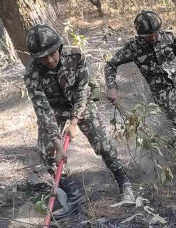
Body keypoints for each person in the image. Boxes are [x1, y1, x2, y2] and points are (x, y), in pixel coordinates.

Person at [24, 25, 134, 218]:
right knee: (47, 151)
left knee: (102, 144)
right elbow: (42, 110)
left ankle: (124, 182)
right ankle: (73, 197)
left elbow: (83, 89)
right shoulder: (32, 74)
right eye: (43, 57)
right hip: (54, 110)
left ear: (58, 47)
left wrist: (74, 122)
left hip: (81, 102)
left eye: (52, 54)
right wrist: (58, 144)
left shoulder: (75, 55)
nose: (49, 60)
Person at [104, 10, 176, 150]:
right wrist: (112, 87)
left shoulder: (168, 37)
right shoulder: (132, 48)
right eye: (149, 36)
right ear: (141, 35)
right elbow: (110, 65)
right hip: (165, 97)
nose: (154, 37)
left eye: (156, 33)